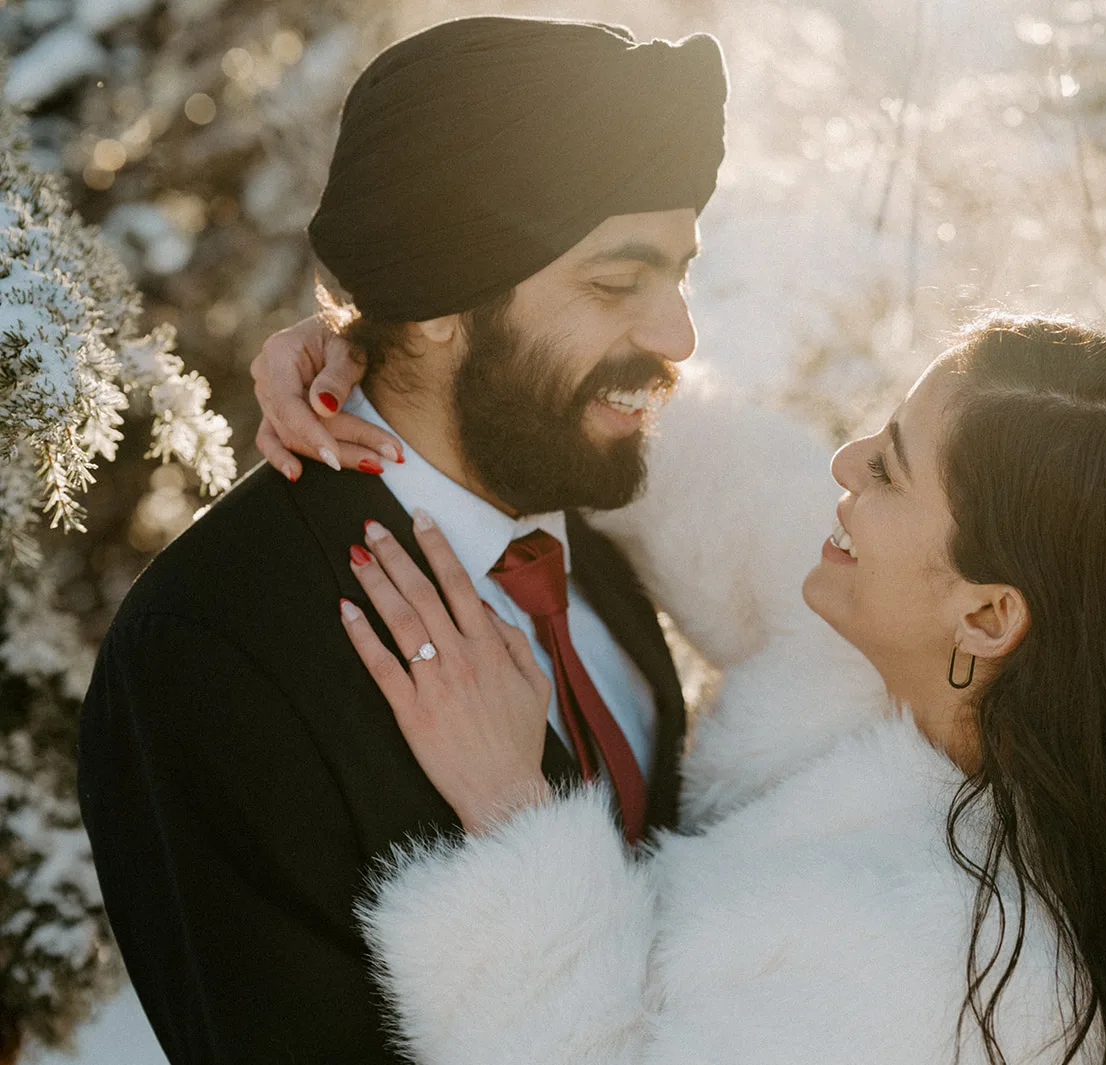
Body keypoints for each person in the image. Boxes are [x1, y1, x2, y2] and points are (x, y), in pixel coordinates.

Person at [253, 313, 1106, 1065]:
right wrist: (409, 355)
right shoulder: (903, 655)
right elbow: (673, 463)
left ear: (987, 616)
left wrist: (513, 816)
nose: (841, 462)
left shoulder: (946, 977)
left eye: (888, 469)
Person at [75, 17, 727, 1063]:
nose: (679, 336)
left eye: (681, 272)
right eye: (616, 283)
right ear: (436, 302)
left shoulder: (587, 510)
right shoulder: (212, 651)